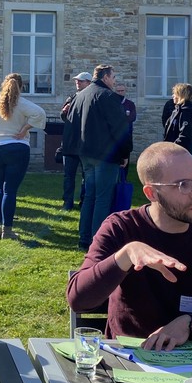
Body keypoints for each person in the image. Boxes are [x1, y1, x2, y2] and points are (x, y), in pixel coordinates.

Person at [67, 142, 192, 348]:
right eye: (183, 185)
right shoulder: (121, 228)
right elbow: (78, 300)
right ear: (152, 194)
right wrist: (126, 255)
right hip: (130, 361)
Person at [66, 64, 130, 250]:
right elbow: (120, 128)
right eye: (113, 77)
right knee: (102, 197)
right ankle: (97, 242)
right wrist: (125, 153)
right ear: (105, 77)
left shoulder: (81, 95)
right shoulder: (108, 96)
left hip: (85, 153)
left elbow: (71, 124)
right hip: (104, 154)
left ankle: (84, 238)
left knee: (90, 196)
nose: (114, 80)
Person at [0, 73, 47, 240]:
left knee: (0, 188)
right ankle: (7, 230)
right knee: (10, 190)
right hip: (15, 148)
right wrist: (25, 128)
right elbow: (40, 113)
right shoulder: (21, 103)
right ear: (21, 87)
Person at [59, 72, 91, 211]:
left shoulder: (92, 98)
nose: (78, 83)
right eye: (77, 81)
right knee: (68, 176)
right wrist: (64, 112)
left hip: (85, 144)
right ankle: (67, 203)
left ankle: (85, 202)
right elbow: (63, 117)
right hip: (70, 144)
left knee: (87, 175)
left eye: (81, 81)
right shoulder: (71, 98)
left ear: (89, 83)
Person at [162, 83, 192, 163]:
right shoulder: (177, 110)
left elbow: (185, 136)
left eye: (174, 93)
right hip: (174, 148)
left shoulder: (186, 112)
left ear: (180, 95)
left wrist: (173, 147)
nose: (172, 96)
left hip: (181, 151)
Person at [115, 81, 137, 163]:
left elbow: (132, 117)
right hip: (115, 138)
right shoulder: (113, 103)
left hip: (126, 137)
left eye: (122, 90)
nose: (120, 93)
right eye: (118, 91)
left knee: (125, 161)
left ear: (125, 91)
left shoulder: (130, 104)